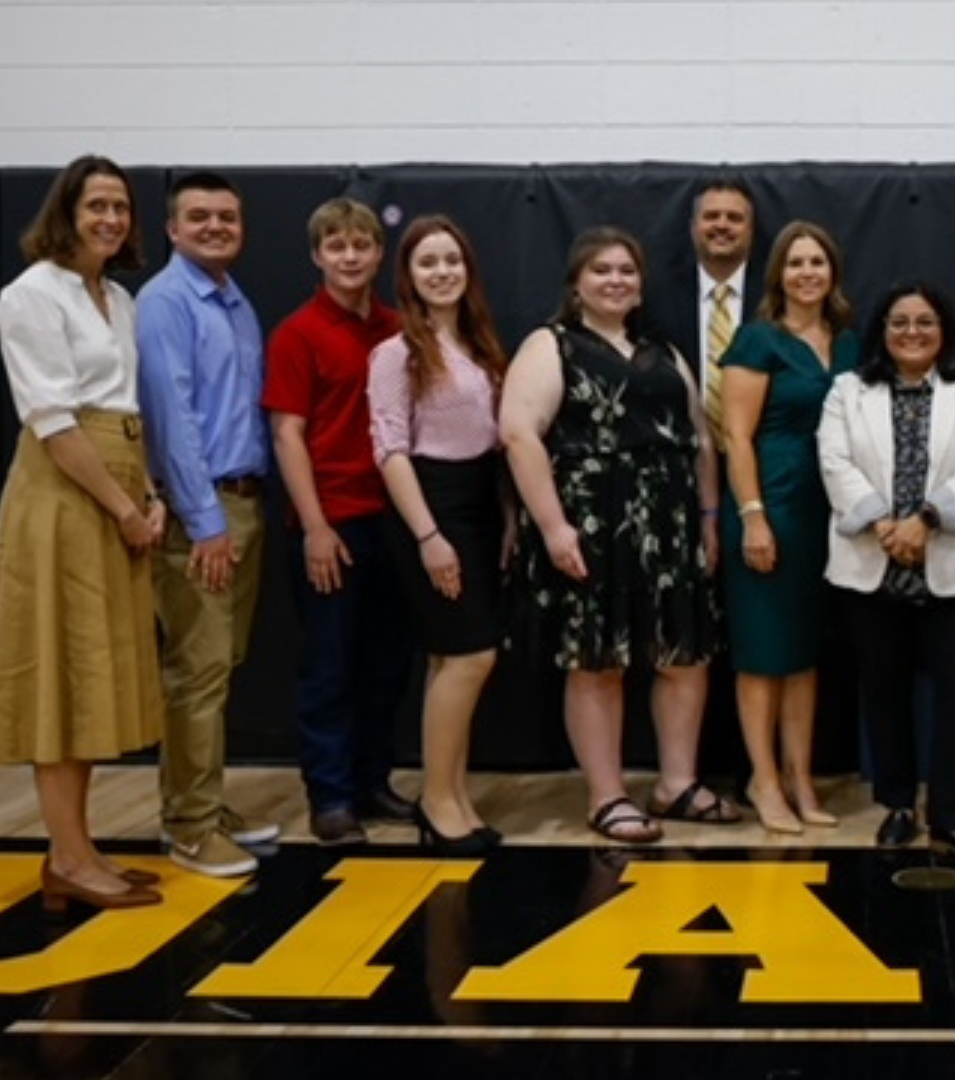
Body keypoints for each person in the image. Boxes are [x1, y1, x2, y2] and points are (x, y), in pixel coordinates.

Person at [502, 226, 733, 845]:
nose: (615, 280)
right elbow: (519, 434)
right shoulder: (550, 345)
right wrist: (552, 527)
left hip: (671, 521)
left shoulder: (662, 349)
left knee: (684, 655)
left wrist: (709, 519)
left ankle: (676, 782)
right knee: (597, 662)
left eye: (626, 271)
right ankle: (607, 796)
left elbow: (701, 440)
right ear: (577, 282)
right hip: (592, 523)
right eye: (601, 270)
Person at [0, 156, 167, 910]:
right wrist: (121, 508)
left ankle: (78, 849)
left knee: (94, 673)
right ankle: (66, 853)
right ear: (66, 210)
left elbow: (128, 403)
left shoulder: (116, 297)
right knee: (60, 672)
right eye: (96, 205)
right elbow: (54, 419)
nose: (110, 219)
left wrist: (148, 491)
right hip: (66, 489)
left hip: (119, 475)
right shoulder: (30, 296)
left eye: (120, 206)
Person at [818, 282, 955, 867]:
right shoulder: (848, 390)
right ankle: (898, 806)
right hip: (872, 564)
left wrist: (924, 521)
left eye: (924, 322)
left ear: (944, 330)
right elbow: (834, 460)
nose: (911, 332)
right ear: (882, 330)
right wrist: (884, 524)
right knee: (884, 690)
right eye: (899, 322)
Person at [135, 171, 279, 879]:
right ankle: (188, 828)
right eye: (200, 217)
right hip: (207, 513)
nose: (216, 226)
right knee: (196, 672)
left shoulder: (233, 301)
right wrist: (205, 521)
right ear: (171, 227)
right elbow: (172, 422)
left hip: (242, 502)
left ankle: (203, 801)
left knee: (218, 667)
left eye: (227, 216)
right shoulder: (165, 303)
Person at [263, 198, 417, 847]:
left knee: (386, 664)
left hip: (394, 520)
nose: (350, 256)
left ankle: (370, 782)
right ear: (317, 255)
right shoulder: (298, 333)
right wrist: (316, 526)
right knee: (329, 668)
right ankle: (329, 797)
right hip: (335, 523)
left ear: (379, 254)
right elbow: (287, 434)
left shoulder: (397, 327)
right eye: (337, 246)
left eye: (361, 245)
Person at [367, 215, 512, 856]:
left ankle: (451, 792)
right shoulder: (396, 352)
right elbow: (390, 449)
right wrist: (429, 535)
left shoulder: (481, 345)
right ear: (409, 276)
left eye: (451, 259)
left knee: (450, 661)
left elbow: (495, 441)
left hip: (481, 502)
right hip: (431, 505)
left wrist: (507, 516)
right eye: (428, 262)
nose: (442, 272)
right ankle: (435, 800)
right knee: (470, 655)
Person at [720, 221, 859, 833]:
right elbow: (736, 437)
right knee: (763, 655)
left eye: (818, 262)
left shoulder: (850, 342)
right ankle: (764, 780)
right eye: (796, 262)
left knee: (803, 655)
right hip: (771, 505)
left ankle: (801, 778)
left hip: (827, 515)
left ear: (833, 272)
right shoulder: (758, 341)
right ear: (779, 273)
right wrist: (753, 518)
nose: (808, 272)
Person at [646, 179, 763, 448]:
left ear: (751, 230)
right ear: (693, 227)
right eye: (711, 216)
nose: (722, 224)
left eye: (734, 218)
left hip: (760, 460)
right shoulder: (656, 297)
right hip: (680, 454)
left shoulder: (777, 296)